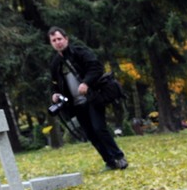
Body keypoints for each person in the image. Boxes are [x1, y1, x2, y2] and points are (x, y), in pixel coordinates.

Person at [48, 27, 128, 170]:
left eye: (59, 39)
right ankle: (110, 161)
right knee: (91, 134)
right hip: (76, 104)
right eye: (54, 40)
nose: (57, 42)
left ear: (66, 39)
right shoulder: (55, 63)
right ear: (51, 43)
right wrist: (55, 94)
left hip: (92, 98)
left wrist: (86, 82)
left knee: (99, 128)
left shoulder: (79, 52)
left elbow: (96, 68)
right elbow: (55, 84)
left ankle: (119, 157)